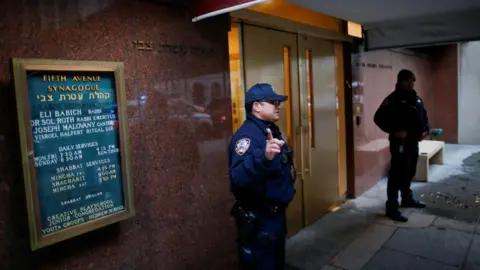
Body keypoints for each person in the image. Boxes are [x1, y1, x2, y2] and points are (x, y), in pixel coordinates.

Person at [228, 83, 296, 269]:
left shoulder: (269, 130)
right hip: (261, 220)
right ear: (256, 106)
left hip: (275, 217)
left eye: (278, 102)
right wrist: (263, 158)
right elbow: (238, 177)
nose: (278, 105)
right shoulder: (247, 137)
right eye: (273, 102)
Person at [374, 69, 429, 222]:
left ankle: (407, 198)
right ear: (401, 81)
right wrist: (395, 131)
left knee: (410, 170)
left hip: (413, 141)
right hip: (400, 143)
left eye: (413, 80)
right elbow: (378, 118)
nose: (412, 83)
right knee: (397, 172)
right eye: (410, 80)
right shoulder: (393, 99)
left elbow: (423, 115)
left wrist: (425, 130)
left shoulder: (415, 98)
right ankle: (391, 207)